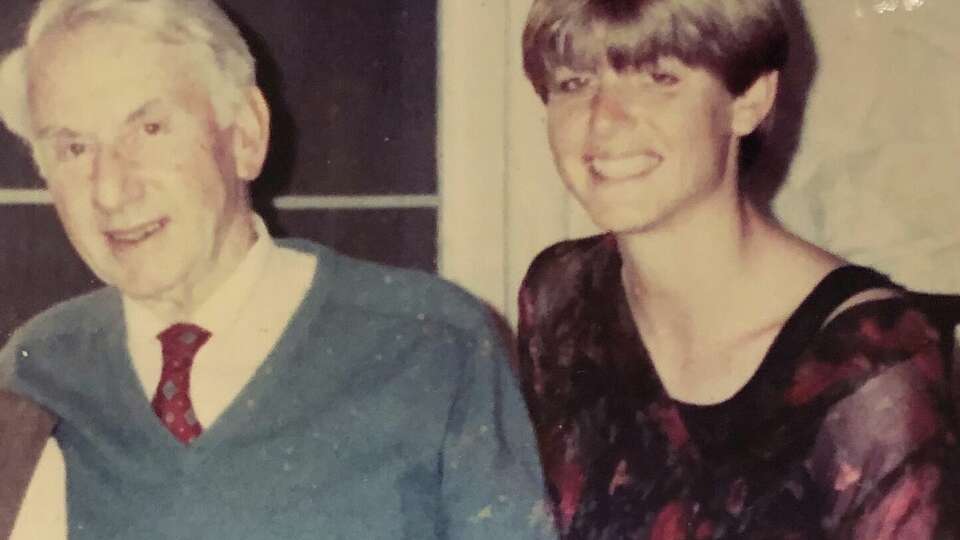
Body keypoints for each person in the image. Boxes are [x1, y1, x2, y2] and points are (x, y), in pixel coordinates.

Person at [0, 0, 552, 538]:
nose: (112, 189)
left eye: (150, 130)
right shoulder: (37, 372)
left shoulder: (432, 342)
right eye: (73, 149)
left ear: (245, 135)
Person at [515, 0, 960, 538]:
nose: (604, 118)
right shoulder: (561, 295)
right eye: (573, 82)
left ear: (749, 100)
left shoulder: (869, 361)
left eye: (659, 77)